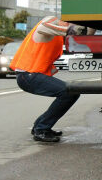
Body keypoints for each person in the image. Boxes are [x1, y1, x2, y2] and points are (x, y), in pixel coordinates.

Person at [10, 15, 89, 143]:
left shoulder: (58, 35)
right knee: (68, 92)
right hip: (28, 75)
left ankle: (40, 125)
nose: (74, 27)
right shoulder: (52, 20)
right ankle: (41, 128)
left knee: (72, 92)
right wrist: (69, 29)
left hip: (31, 75)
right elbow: (43, 27)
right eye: (72, 24)